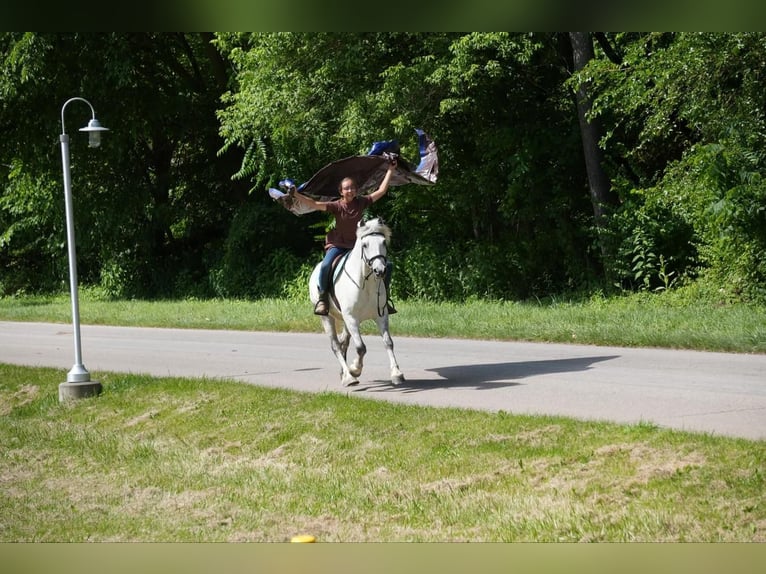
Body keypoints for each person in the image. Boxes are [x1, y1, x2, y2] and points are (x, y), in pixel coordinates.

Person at [294, 159, 398, 316]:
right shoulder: (336, 206)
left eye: (353, 188)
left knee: (387, 265)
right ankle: (323, 299)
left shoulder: (361, 202)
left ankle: (384, 298)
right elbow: (314, 204)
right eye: (346, 188)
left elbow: (381, 191)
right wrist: (295, 194)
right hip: (338, 245)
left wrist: (390, 169)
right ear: (341, 191)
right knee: (325, 265)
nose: (350, 191)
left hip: (357, 246)